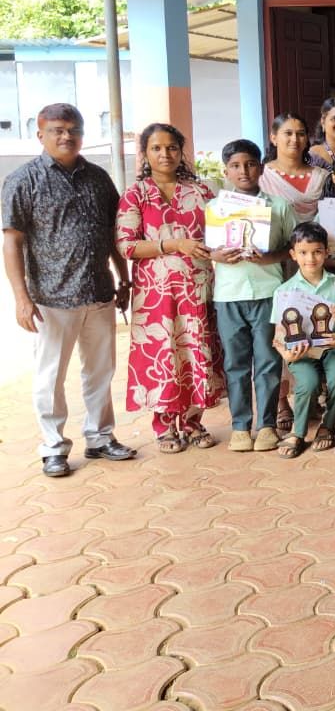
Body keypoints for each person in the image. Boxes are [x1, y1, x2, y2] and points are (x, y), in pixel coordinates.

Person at [2, 103, 134, 477]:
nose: (67, 136)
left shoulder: (98, 178)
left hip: (98, 292)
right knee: (50, 378)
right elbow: (12, 242)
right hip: (50, 299)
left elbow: (112, 234)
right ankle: (53, 447)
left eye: (73, 129)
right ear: (40, 134)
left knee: (100, 373)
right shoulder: (22, 180)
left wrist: (123, 278)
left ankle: (100, 437)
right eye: (57, 130)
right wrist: (21, 298)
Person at [115, 123, 226, 453]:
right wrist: (174, 244)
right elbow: (127, 246)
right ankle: (163, 426)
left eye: (172, 148)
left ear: (181, 152)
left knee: (195, 351)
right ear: (145, 153)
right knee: (162, 353)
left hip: (197, 288)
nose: (165, 154)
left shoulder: (201, 192)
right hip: (155, 294)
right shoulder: (135, 194)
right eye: (157, 148)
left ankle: (192, 421)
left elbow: (219, 234)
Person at [210, 139, 296, 453]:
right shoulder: (214, 208)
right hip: (229, 295)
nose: (243, 171)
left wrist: (268, 257)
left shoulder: (279, 206)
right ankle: (240, 427)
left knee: (268, 361)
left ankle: (267, 425)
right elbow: (207, 248)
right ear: (226, 171)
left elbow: (293, 248)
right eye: (235, 166)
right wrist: (216, 255)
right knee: (236, 364)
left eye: (249, 164)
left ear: (260, 168)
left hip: (267, 292)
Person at [271, 223, 335, 458]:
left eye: (317, 252)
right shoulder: (284, 291)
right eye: (303, 252)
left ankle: (328, 424)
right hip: (301, 352)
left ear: (326, 252)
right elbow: (278, 336)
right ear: (293, 254)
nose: (310, 258)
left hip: (333, 349)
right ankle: (298, 432)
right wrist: (286, 354)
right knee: (308, 383)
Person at [260, 112, 328, 221]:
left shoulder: (322, 177)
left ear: (306, 139)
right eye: (288, 133)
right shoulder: (262, 175)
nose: (295, 139)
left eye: (301, 134)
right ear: (273, 138)